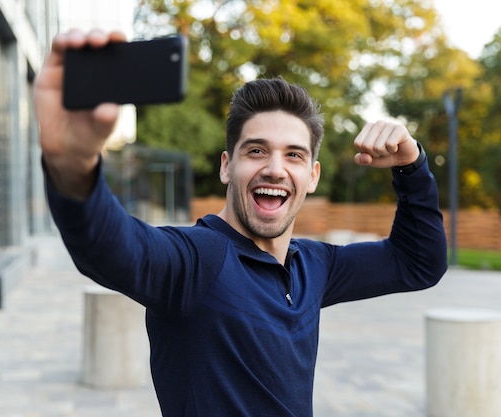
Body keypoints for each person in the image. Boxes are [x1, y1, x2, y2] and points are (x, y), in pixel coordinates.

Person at [35, 29, 447, 417]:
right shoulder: (197, 261)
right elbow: (114, 247)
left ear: (313, 176)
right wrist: (71, 163)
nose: (274, 168)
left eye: (294, 155)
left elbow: (418, 264)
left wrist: (412, 168)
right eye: (256, 151)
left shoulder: (315, 266)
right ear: (227, 166)